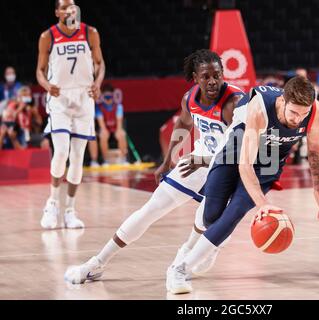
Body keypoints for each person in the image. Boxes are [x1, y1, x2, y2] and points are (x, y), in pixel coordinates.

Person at [64, 49, 244, 284]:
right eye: (206, 76)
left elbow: (240, 153)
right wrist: (168, 157)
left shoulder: (235, 102)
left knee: (205, 223)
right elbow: (183, 122)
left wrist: (201, 160)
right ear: (195, 77)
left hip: (228, 168)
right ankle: (97, 262)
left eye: (217, 75)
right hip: (199, 159)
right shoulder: (190, 98)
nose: (212, 81)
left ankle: (188, 254)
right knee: (150, 209)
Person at [166, 76, 319, 294]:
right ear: (282, 101)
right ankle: (213, 240)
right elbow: (245, 164)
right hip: (237, 146)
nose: (298, 120)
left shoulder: (317, 113)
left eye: (303, 114)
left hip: (269, 159)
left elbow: (314, 149)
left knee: (234, 212)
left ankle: (179, 269)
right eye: (294, 112)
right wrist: (263, 204)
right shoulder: (260, 108)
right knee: (211, 216)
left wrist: (318, 189)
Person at [37, 0, 106, 229]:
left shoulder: (90, 32)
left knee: (78, 157)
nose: (70, 10)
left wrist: (97, 83)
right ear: (57, 12)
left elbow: (100, 63)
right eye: (65, 7)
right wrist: (47, 86)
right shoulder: (48, 36)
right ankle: (52, 203)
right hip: (60, 98)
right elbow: (39, 70)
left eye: (72, 6)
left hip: (84, 97)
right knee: (62, 151)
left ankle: (70, 210)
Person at [88, 83, 128, 167]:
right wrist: (104, 130)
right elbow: (101, 124)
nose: (108, 99)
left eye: (110, 97)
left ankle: (123, 159)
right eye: (106, 97)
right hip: (105, 130)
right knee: (102, 134)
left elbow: (119, 124)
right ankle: (103, 160)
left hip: (115, 129)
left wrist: (119, 130)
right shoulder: (99, 107)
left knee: (121, 134)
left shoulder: (118, 107)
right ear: (102, 97)